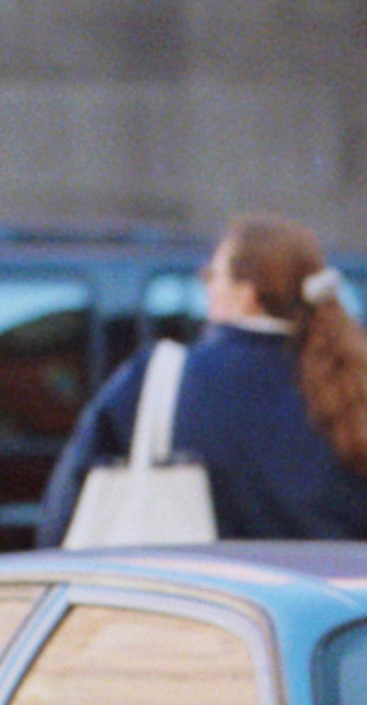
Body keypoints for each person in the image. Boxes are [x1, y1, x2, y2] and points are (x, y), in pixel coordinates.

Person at [37, 213, 367, 544]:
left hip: (198, 575)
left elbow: (64, 509)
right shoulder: (350, 385)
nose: (205, 285)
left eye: (212, 275)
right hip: (329, 577)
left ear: (247, 295)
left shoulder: (161, 379)